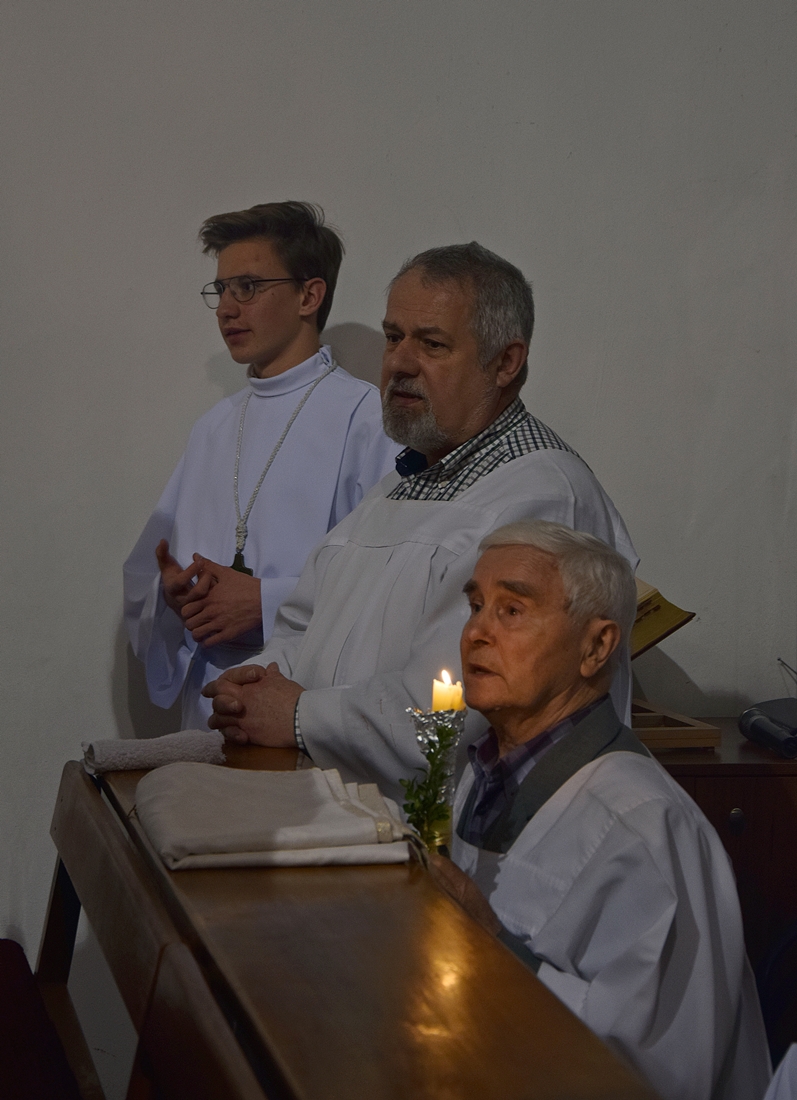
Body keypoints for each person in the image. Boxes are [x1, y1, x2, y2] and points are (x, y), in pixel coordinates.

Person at [204, 242, 638, 802]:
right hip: (348, 815)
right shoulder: (401, 482)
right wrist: (254, 682)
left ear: (505, 362)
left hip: (461, 834)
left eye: (432, 344)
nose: (399, 364)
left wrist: (298, 715)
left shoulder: (541, 495)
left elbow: (457, 708)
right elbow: (303, 628)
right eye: (393, 338)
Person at [428, 519, 771, 1100]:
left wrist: (489, 946)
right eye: (476, 606)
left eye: (512, 610)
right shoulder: (482, 770)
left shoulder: (647, 826)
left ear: (596, 647)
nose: (477, 633)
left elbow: (662, 1068)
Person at [124, 202, 396, 728]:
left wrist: (268, 603)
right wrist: (175, 599)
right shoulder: (214, 428)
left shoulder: (366, 419)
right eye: (221, 289)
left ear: (309, 296)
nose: (226, 309)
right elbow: (147, 577)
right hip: (206, 704)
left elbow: (387, 581)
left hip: (305, 703)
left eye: (247, 287)